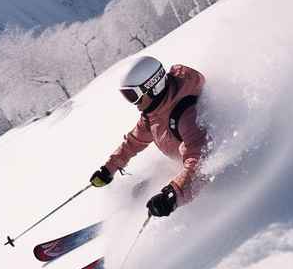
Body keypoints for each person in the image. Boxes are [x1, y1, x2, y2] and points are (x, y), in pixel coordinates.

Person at [89, 56, 208, 217]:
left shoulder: (186, 115)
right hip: (181, 167)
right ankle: (132, 211)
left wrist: (172, 197)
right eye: (127, 96)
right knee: (139, 192)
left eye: (132, 95)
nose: (133, 103)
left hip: (205, 181)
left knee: (156, 201)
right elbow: (133, 142)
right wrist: (108, 169)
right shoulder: (153, 114)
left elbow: (201, 163)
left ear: (153, 87)